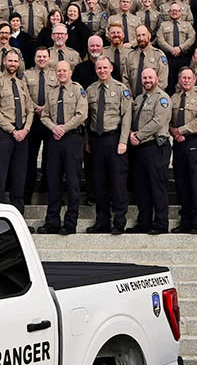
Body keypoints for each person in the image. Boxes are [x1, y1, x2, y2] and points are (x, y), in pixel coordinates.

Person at [37, 57, 87, 234]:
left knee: (73, 182)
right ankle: (52, 222)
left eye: (64, 70)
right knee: (53, 181)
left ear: (70, 73)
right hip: (55, 140)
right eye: (58, 71)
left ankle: (70, 223)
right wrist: (54, 128)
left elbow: (82, 114)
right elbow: (44, 116)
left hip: (72, 140)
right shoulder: (51, 93)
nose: (61, 73)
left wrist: (63, 129)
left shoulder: (78, 90)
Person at [83, 49, 130, 233]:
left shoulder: (121, 90)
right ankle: (102, 221)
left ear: (111, 68)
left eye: (105, 67)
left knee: (117, 183)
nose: (102, 70)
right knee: (99, 183)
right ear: (96, 70)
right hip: (97, 141)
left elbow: (126, 116)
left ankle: (119, 221)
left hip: (114, 139)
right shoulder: (90, 90)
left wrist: (123, 141)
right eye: (99, 68)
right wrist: (87, 141)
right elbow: (87, 120)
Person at [126, 64, 173, 235]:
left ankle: (161, 224)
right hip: (140, 150)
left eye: (150, 78)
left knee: (157, 186)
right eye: (144, 78)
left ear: (157, 79)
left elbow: (158, 121)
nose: (147, 80)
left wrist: (138, 136)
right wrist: (131, 135)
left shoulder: (163, 98)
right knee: (141, 187)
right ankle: (144, 222)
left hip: (155, 147)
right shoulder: (138, 99)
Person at [0, 48, 37, 211]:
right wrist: (12, 130)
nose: (12, 64)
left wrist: (26, 129)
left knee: (19, 177)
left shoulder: (21, 83)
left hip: (22, 135)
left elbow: (30, 109)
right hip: (5, 134)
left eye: (15, 61)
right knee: (0, 176)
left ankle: (19, 215)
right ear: (4, 62)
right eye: (10, 60)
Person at [168, 64, 197, 234]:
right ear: (179, 80)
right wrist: (173, 131)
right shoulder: (174, 98)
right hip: (178, 144)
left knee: (195, 183)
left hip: (195, 143)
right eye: (183, 78)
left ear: (194, 80)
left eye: (189, 78)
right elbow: (169, 119)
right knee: (181, 183)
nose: (186, 81)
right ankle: (185, 221)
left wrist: (180, 131)